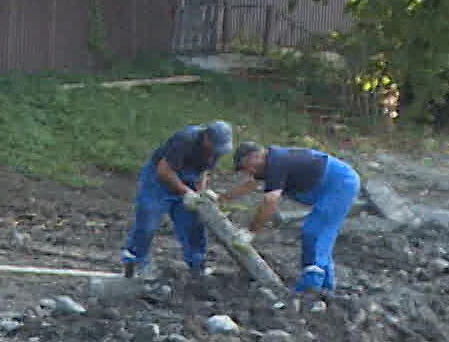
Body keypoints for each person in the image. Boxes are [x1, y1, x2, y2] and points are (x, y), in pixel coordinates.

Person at [226, 143, 360, 295]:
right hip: (333, 183)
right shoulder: (267, 164)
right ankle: (326, 287)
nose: (248, 172)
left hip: (339, 183)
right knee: (322, 235)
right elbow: (249, 185)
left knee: (314, 231)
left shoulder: (277, 162)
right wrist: (221, 198)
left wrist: (251, 231)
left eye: (246, 166)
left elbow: (270, 201)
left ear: (255, 156)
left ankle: (311, 288)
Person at [122, 120, 233, 280]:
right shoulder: (186, 139)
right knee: (149, 221)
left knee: (194, 223)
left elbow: (203, 172)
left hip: (188, 178)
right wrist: (187, 192)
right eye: (214, 146)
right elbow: (163, 171)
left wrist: (200, 194)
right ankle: (135, 262)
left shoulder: (216, 149)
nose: (216, 151)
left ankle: (197, 266)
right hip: (158, 180)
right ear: (206, 138)